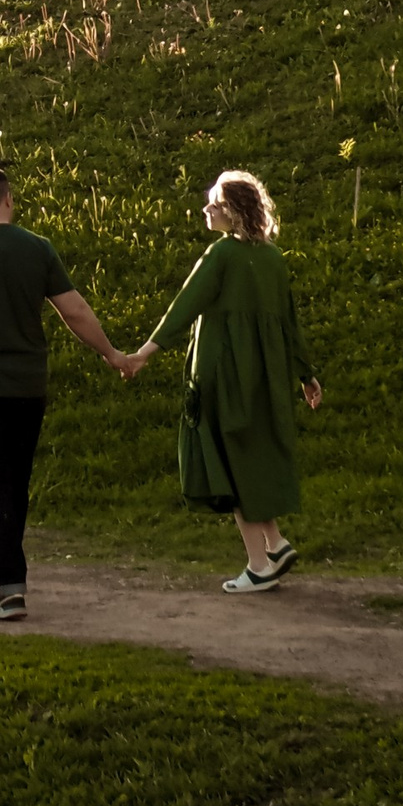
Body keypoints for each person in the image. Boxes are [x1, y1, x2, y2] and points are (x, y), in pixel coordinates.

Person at [0, 161, 126, 621]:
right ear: (9, 199)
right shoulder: (37, 249)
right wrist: (111, 354)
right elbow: (74, 311)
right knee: (16, 480)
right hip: (28, 385)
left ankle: (10, 587)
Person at [123, 169, 321, 594]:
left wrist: (144, 352)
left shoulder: (222, 255)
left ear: (231, 211)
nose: (205, 209)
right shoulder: (273, 259)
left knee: (229, 465)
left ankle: (257, 565)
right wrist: (306, 375)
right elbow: (290, 323)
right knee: (249, 455)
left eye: (212, 203)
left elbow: (185, 305)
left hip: (222, 372)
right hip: (264, 377)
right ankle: (276, 542)